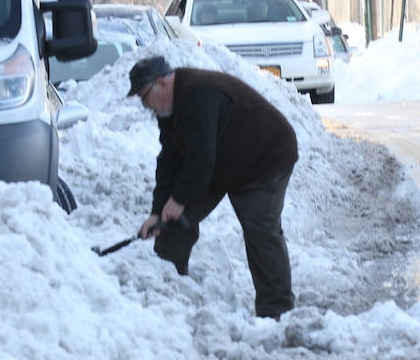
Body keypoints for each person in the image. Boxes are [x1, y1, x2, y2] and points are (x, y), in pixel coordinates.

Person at [128, 55, 299, 318]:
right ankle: (168, 296)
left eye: (144, 96)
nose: (144, 105)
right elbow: (170, 159)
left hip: (265, 158)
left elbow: (200, 160)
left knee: (260, 230)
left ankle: (277, 312)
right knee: (172, 222)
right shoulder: (167, 107)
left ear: (161, 83)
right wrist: (158, 210)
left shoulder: (199, 95)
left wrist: (179, 198)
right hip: (222, 162)